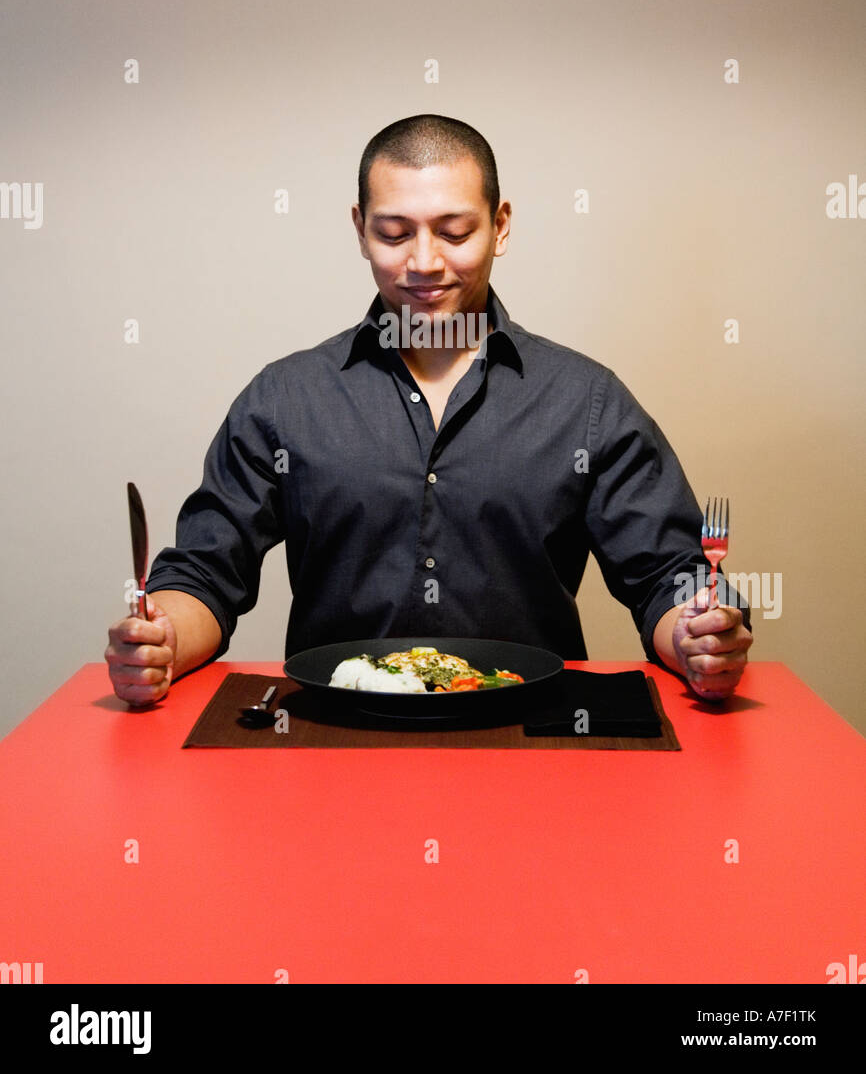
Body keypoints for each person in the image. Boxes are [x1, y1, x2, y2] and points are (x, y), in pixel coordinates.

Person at [105, 114, 753, 706]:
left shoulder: (584, 400)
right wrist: (160, 642)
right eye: (394, 233)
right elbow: (204, 574)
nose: (423, 262)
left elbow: (670, 578)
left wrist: (699, 639)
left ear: (500, 225)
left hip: (536, 747)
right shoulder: (285, 399)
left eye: (454, 231)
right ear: (360, 228)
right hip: (330, 744)